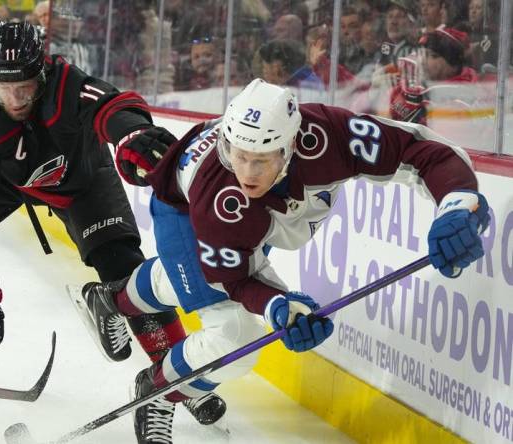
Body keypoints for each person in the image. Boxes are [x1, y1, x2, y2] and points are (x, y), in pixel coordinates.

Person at [73, 79, 489, 444]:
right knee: (235, 336)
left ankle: (114, 300)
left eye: (261, 158)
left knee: (190, 278)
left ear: (292, 145)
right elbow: (235, 280)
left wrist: (457, 203)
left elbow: (424, 152)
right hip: (183, 209)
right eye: (238, 154)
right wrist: (280, 307)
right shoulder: (223, 196)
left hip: (261, 217)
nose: (247, 172)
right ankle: (159, 391)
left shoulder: (331, 134)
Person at [0, 21, 227, 426]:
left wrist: (135, 133)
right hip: (5, 185)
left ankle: (175, 378)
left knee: (123, 267)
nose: (14, 98)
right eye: (2, 87)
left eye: (24, 86)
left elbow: (112, 105)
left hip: (82, 181)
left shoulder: (68, 83)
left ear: (42, 72)